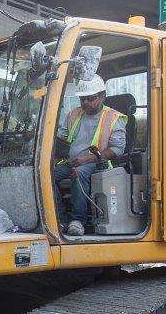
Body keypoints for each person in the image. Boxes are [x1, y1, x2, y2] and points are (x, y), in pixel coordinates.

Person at [52, 75, 126, 236]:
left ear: (102, 97)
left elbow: (118, 149)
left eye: (90, 98)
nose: (85, 102)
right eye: (82, 99)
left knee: (79, 173)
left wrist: (88, 159)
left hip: (99, 163)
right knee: (46, 175)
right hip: (71, 161)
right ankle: (61, 219)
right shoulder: (73, 114)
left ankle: (78, 220)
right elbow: (60, 138)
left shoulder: (114, 117)